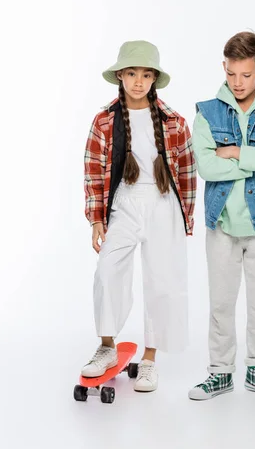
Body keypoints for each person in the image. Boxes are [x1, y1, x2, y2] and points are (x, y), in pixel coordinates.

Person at [82, 40, 196, 392]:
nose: (138, 81)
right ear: (120, 75)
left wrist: (185, 217)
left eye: (146, 75)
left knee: (163, 281)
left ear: (154, 79)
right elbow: (94, 172)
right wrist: (97, 218)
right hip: (125, 203)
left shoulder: (174, 121)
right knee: (108, 271)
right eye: (131, 73)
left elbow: (189, 172)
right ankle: (107, 347)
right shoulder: (104, 121)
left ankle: (149, 359)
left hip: (163, 204)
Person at [188, 31, 255, 400]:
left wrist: (232, 152)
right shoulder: (207, 111)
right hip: (221, 224)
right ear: (224, 67)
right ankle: (220, 372)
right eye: (232, 74)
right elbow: (205, 166)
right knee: (220, 303)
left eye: (246, 75)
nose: (238, 82)